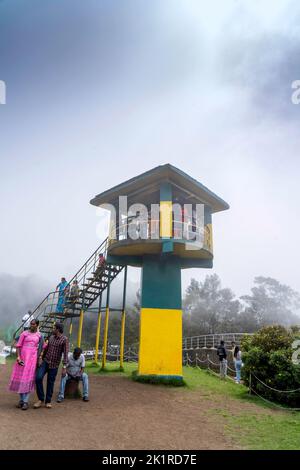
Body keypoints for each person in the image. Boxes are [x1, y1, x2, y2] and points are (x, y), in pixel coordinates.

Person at [8, 319, 44, 410]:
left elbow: (42, 347)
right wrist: (18, 357)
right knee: (21, 379)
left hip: (32, 360)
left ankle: (25, 402)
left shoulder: (40, 335)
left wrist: (40, 358)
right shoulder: (24, 333)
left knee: (28, 380)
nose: (31, 325)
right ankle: (21, 400)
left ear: (37, 325)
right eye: (31, 324)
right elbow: (18, 346)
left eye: (33, 324)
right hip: (22, 359)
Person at [34, 322, 68, 409]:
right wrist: (41, 358)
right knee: (38, 378)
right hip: (45, 362)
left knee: (50, 382)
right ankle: (41, 399)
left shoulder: (64, 339)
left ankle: (48, 401)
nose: (52, 329)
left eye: (54, 328)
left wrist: (64, 367)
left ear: (58, 329)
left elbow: (66, 354)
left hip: (54, 365)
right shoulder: (51, 337)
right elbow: (46, 349)